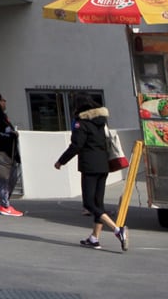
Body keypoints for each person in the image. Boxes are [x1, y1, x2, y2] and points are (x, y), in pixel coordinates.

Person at [55, 97, 126, 250]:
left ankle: (117, 229)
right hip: (103, 166)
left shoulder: (82, 124)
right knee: (98, 204)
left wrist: (61, 161)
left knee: (88, 203)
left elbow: (76, 146)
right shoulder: (101, 123)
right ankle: (94, 238)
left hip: (90, 167)